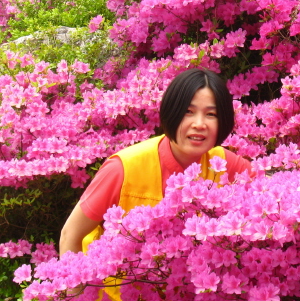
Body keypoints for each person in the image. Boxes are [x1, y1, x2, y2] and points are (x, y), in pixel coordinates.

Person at [59, 68, 251, 296]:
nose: (200, 124)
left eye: (211, 114)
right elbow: (70, 234)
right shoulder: (123, 167)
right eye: (188, 112)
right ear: (171, 113)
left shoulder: (231, 167)